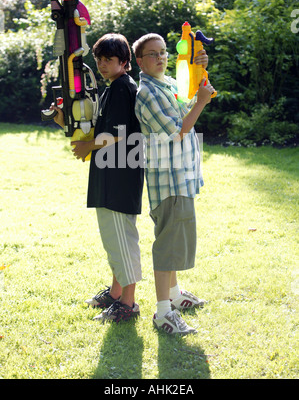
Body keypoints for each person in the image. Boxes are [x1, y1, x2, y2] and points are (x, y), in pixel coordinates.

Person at [50, 33, 144, 323]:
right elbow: (100, 130)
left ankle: (128, 304)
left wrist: (89, 146)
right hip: (110, 175)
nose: (102, 65)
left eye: (109, 60)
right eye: (100, 59)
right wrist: (63, 119)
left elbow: (121, 133)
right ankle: (116, 294)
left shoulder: (121, 88)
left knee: (121, 240)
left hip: (120, 176)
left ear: (125, 62)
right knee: (114, 240)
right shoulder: (112, 88)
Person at [132, 32, 216, 335]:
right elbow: (178, 129)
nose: (161, 58)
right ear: (140, 62)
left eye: (163, 52)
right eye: (153, 54)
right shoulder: (147, 93)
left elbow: (186, 105)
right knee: (168, 245)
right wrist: (202, 103)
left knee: (177, 239)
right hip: (167, 179)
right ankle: (163, 312)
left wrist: (199, 71)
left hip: (181, 175)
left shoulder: (167, 84)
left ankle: (175, 295)